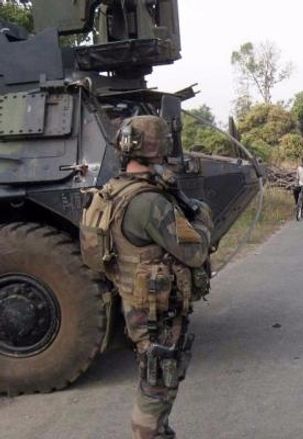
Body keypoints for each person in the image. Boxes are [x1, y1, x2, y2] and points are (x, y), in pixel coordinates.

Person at [83, 116, 213, 438]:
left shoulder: (111, 191)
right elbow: (195, 251)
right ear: (160, 147)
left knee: (155, 379)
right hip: (157, 313)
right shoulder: (149, 203)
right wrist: (203, 217)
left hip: (133, 301)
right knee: (156, 388)